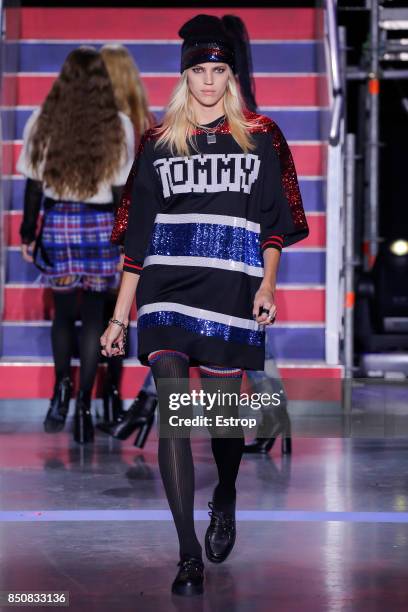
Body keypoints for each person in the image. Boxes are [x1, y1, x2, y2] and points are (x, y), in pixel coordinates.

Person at [101, 14, 308, 596]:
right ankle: (187, 554)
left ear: (231, 76)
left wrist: (267, 286)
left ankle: (225, 493)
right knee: (173, 408)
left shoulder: (261, 135)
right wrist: (121, 315)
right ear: (184, 75)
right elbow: (138, 237)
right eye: (199, 71)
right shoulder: (157, 142)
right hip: (166, 291)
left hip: (232, 289)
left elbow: (273, 223)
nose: (209, 82)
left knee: (217, 418)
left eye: (219, 71)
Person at [18, 47, 135, 444]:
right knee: (94, 317)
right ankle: (86, 404)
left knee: (64, 314)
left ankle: (60, 392)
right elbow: (122, 192)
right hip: (102, 225)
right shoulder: (118, 125)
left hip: (61, 222)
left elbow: (33, 186)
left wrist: (27, 234)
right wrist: (125, 241)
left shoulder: (43, 120)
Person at [96, 44, 156, 428]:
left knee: (100, 315)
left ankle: (108, 402)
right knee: (125, 313)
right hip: (139, 224)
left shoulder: (100, 122)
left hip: (98, 220)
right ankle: (124, 402)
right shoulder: (147, 122)